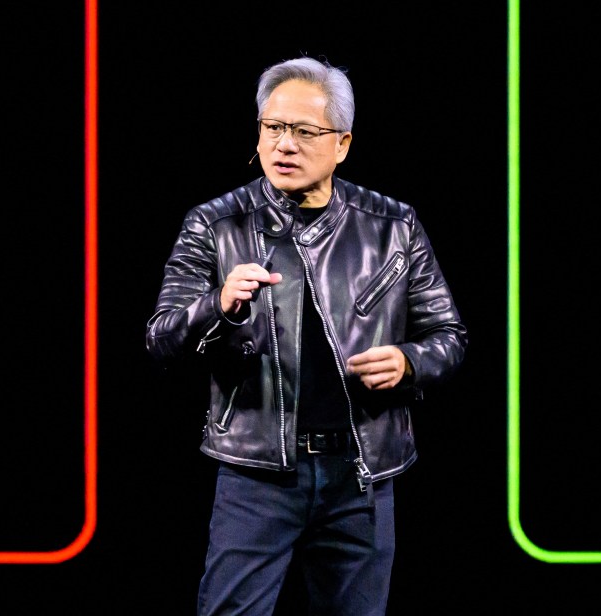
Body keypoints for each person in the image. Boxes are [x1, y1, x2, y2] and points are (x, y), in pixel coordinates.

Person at [145, 55, 468, 616]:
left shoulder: (393, 225)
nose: (283, 144)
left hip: (361, 477)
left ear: (341, 144)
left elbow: (449, 334)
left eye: (303, 131)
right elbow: (160, 339)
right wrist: (217, 305)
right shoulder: (216, 224)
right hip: (256, 475)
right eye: (272, 127)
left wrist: (410, 361)